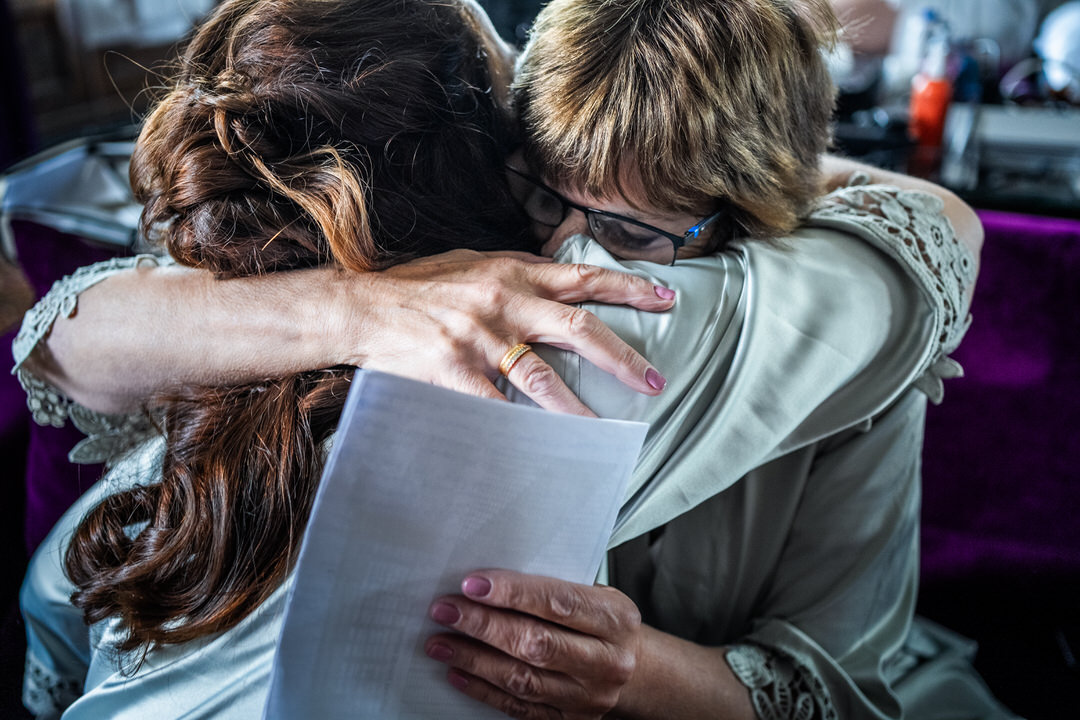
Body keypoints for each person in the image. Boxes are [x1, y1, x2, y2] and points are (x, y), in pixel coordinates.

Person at [16, 1, 1007, 719]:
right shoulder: (453, 288)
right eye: (541, 195)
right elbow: (76, 334)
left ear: (750, 222)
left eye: (630, 229)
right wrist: (363, 304)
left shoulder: (828, 345)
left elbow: (838, 680)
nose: (565, 255)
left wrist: (647, 675)